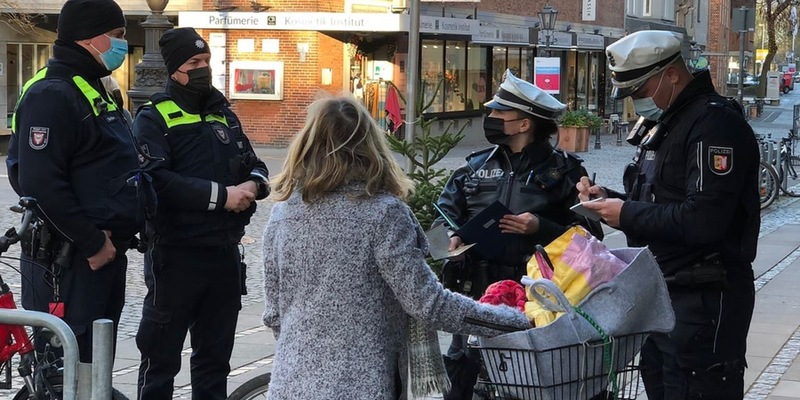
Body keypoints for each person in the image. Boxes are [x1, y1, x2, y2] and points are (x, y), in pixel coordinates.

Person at [262, 95, 532, 400]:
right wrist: (513, 321)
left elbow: (274, 313)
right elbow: (429, 304)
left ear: (307, 144)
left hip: (290, 382)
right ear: (371, 146)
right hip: (361, 386)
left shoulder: (284, 212)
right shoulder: (383, 213)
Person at [576, 30, 760, 399]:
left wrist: (626, 214)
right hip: (665, 293)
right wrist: (609, 200)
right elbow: (662, 200)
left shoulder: (713, 124)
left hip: (705, 295)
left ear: (671, 74)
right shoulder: (669, 121)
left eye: (641, 92)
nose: (637, 103)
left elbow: (703, 219)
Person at [433, 69, 604, 400]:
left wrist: (542, 228)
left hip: (537, 303)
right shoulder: (472, 167)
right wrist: (450, 238)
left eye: (499, 112)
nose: (491, 117)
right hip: (475, 296)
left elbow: (592, 238)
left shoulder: (567, 172)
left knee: (528, 387)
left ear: (524, 123)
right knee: (462, 383)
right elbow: (439, 221)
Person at [132, 27, 270, 400]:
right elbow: (156, 180)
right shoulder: (154, 117)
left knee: (214, 361)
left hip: (223, 254)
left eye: (206, 61)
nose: (203, 69)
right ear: (175, 69)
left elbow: (255, 164)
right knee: (160, 359)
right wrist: (221, 197)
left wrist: (254, 186)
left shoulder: (223, 113)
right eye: (194, 62)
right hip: (175, 256)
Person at [7, 0, 141, 362]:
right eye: (116, 36)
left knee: (93, 368)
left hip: (99, 259)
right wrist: (94, 241)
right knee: (67, 368)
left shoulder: (91, 88)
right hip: (69, 261)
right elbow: (39, 182)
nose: (120, 46)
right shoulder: (53, 94)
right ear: (88, 38)